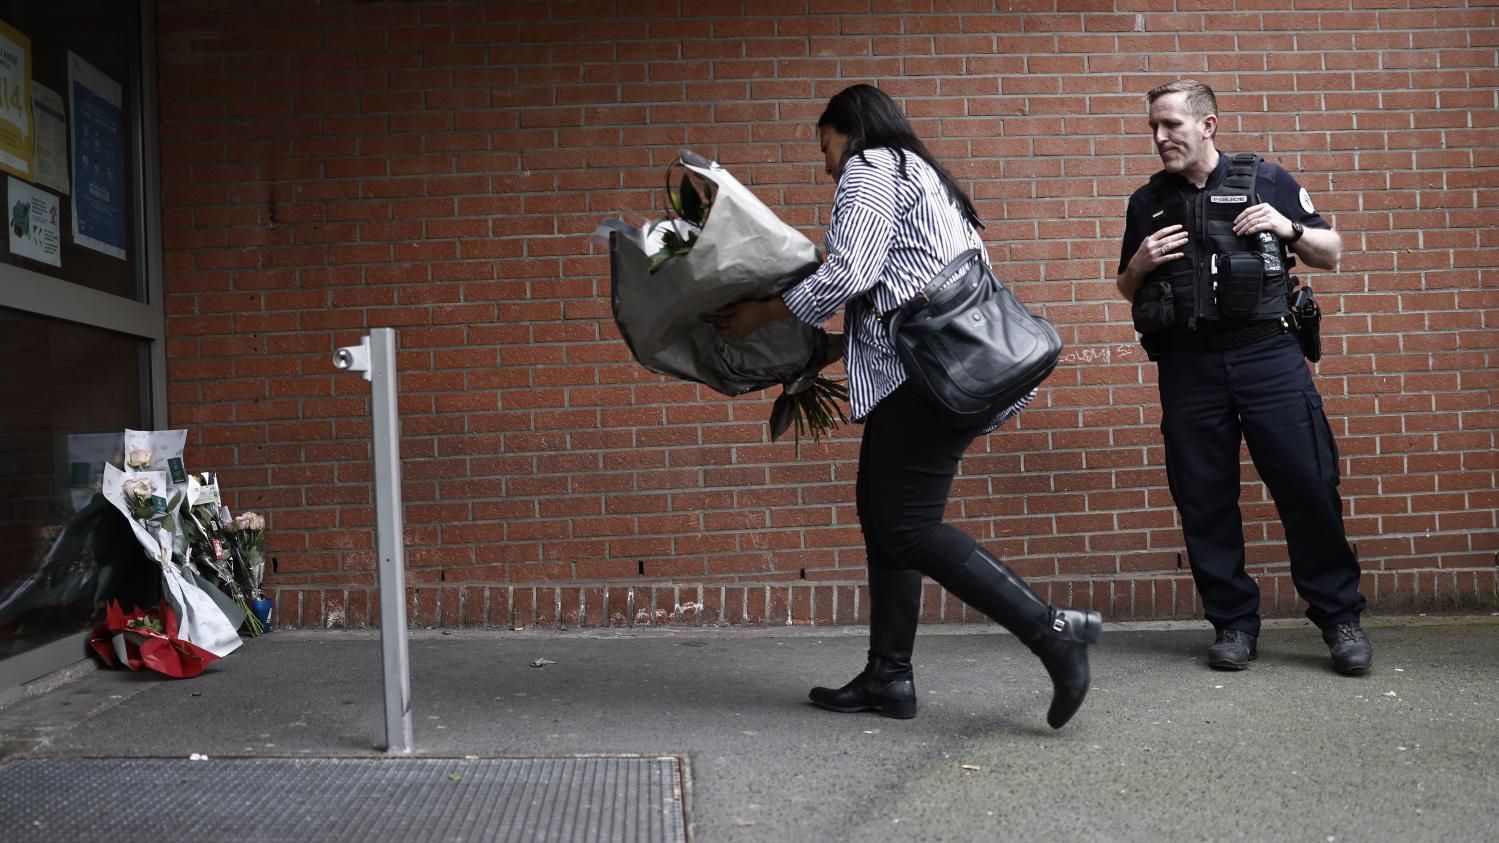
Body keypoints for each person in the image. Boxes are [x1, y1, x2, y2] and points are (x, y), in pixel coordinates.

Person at [712, 84, 1101, 729]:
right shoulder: (921, 173)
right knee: (882, 517)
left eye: (826, 146)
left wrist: (763, 313)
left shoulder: (874, 166)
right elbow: (903, 284)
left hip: (924, 380)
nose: (827, 164)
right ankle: (888, 677)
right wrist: (831, 348)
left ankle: (1054, 632)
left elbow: (851, 271)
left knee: (906, 526)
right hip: (933, 369)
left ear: (850, 129)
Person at [1115, 79, 1372, 675]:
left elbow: (1331, 253)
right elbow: (1127, 289)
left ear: (1206, 125)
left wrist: (1290, 229)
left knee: (1309, 484)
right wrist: (1138, 264)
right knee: (1203, 499)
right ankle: (1232, 624)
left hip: (1268, 358)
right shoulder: (1146, 202)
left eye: (1171, 125)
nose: (1159, 138)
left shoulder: (1268, 179)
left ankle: (1339, 617)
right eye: (1153, 126)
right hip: (1189, 366)